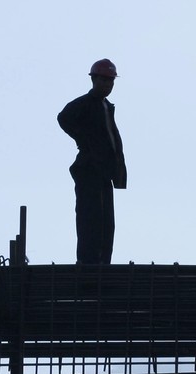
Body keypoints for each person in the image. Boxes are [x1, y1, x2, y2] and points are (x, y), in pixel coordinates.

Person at [58, 58, 127, 265]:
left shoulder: (106, 106)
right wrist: (85, 140)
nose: (108, 85)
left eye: (110, 81)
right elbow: (64, 118)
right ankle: (89, 267)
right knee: (90, 220)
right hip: (90, 170)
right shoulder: (84, 104)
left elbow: (112, 142)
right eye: (104, 80)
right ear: (94, 79)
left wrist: (118, 173)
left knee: (106, 223)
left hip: (104, 173)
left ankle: (103, 266)